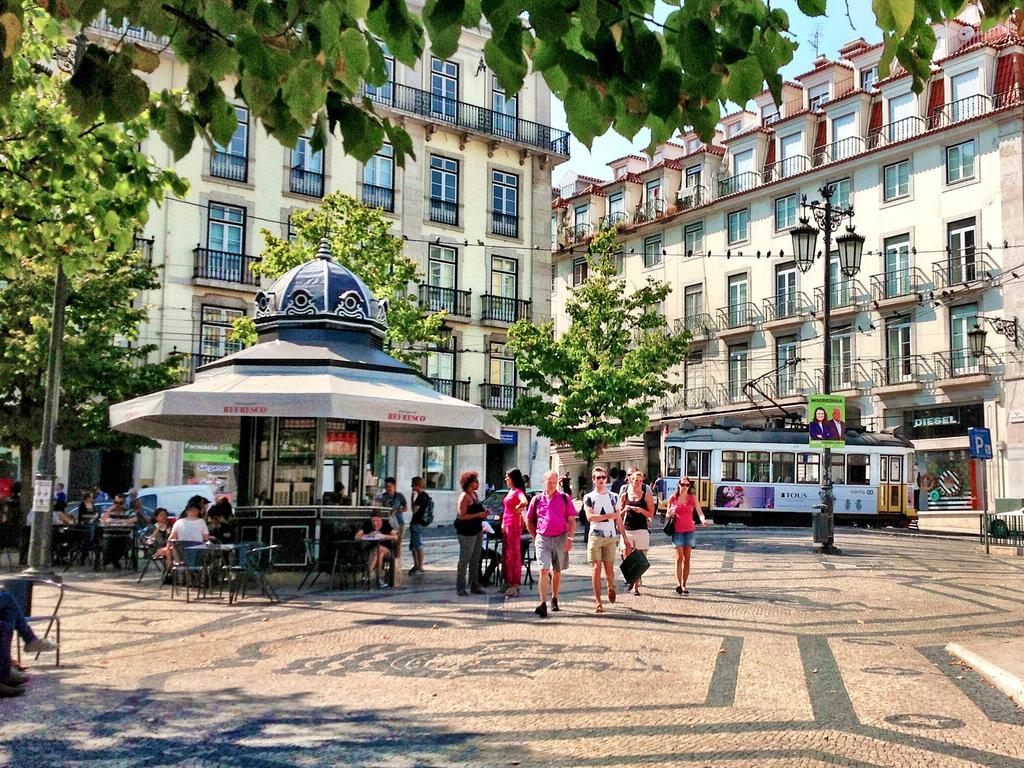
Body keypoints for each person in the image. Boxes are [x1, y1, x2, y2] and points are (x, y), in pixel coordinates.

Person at [526, 470, 576, 618]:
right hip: (543, 537)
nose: (552, 485)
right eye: (549, 482)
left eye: (555, 483)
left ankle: (554, 597)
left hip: (560, 537)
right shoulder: (537, 499)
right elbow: (528, 521)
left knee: (557, 571)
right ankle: (542, 603)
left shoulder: (564, 498)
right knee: (543, 569)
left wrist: (570, 538)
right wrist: (535, 537)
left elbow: (572, 520)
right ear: (544, 481)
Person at [584, 466, 626, 613]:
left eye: (603, 477)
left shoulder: (614, 497)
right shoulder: (589, 497)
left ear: (606, 478)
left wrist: (625, 538)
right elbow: (590, 517)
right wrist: (608, 516)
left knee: (609, 570)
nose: (601, 480)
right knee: (596, 568)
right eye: (598, 477)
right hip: (595, 536)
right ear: (593, 480)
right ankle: (598, 601)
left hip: (610, 536)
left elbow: (618, 518)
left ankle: (610, 586)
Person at [667, 476, 708, 595]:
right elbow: (667, 515)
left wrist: (703, 520)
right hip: (677, 530)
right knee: (679, 558)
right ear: (678, 485)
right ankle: (678, 584)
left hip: (689, 530)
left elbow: (700, 512)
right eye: (682, 484)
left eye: (687, 485)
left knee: (687, 558)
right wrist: (670, 513)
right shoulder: (673, 498)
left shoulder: (692, 498)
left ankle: (684, 584)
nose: (684, 487)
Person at [619, 467, 654, 596]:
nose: (637, 483)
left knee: (639, 558)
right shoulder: (624, 495)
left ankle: (636, 586)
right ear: (630, 480)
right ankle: (631, 580)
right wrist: (625, 509)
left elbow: (651, 513)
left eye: (640, 480)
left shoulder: (646, 495)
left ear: (642, 481)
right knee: (627, 557)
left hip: (641, 529)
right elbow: (618, 514)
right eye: (635, 480)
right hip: (627, 529)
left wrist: (641, 511)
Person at [454, 471, 488, 596]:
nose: (478, 483)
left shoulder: (474, 495)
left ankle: (475, 585)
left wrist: (484, 512)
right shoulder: (464, 497)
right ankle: (461, 587)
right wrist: (479, 514)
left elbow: (479, 509)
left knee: (475, 559)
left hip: (477, 529)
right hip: (466, 531)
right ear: (469, 483)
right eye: (476, 481)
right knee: (465, 559)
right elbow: (462, 516)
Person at [501, 468, 529, 597]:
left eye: (508, 476)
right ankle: (508, 580)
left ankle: (515, 583)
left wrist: (519, 508)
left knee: (513, 554)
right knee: (507, 554)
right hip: (507, 525)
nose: (506, 479)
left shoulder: (517, 491)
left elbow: (524, 501)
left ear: (513, 478)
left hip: (513, 525)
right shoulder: (510, 491)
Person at [356, 512, 397, 588]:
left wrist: (385, 536)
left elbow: (395, 536)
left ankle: (368, 574)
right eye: (373, 521)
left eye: (377, 520)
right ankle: (380, 579)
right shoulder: (368, 525)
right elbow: (357, 537)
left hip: (387, 550)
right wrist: (368, 535)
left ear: (381, 519)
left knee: (379, 549)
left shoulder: (386, 525)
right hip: (374, 550)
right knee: (379, 553)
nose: (375, 523)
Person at [408, 476, 431, 575]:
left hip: (417, 523)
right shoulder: (425, 495)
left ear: (417, 485)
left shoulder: (421, 496)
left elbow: (414, 510)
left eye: (413, 485)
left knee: (417, 545)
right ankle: (416, 564)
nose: (412, 487)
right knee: (413, 545)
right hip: (419, 523)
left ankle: (419, 566)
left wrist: (412, 499)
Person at [375, 477, 408, 543]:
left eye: (389, 486)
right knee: (387, 543)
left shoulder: (400, 496)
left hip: (399, 523)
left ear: (394, 486)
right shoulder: (382, 496)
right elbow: (377, 509)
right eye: (386, 487)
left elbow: (405, 508)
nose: (387, 489)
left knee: (398, 544)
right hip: (387, 524)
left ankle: (397, 553)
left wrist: (398, 510)